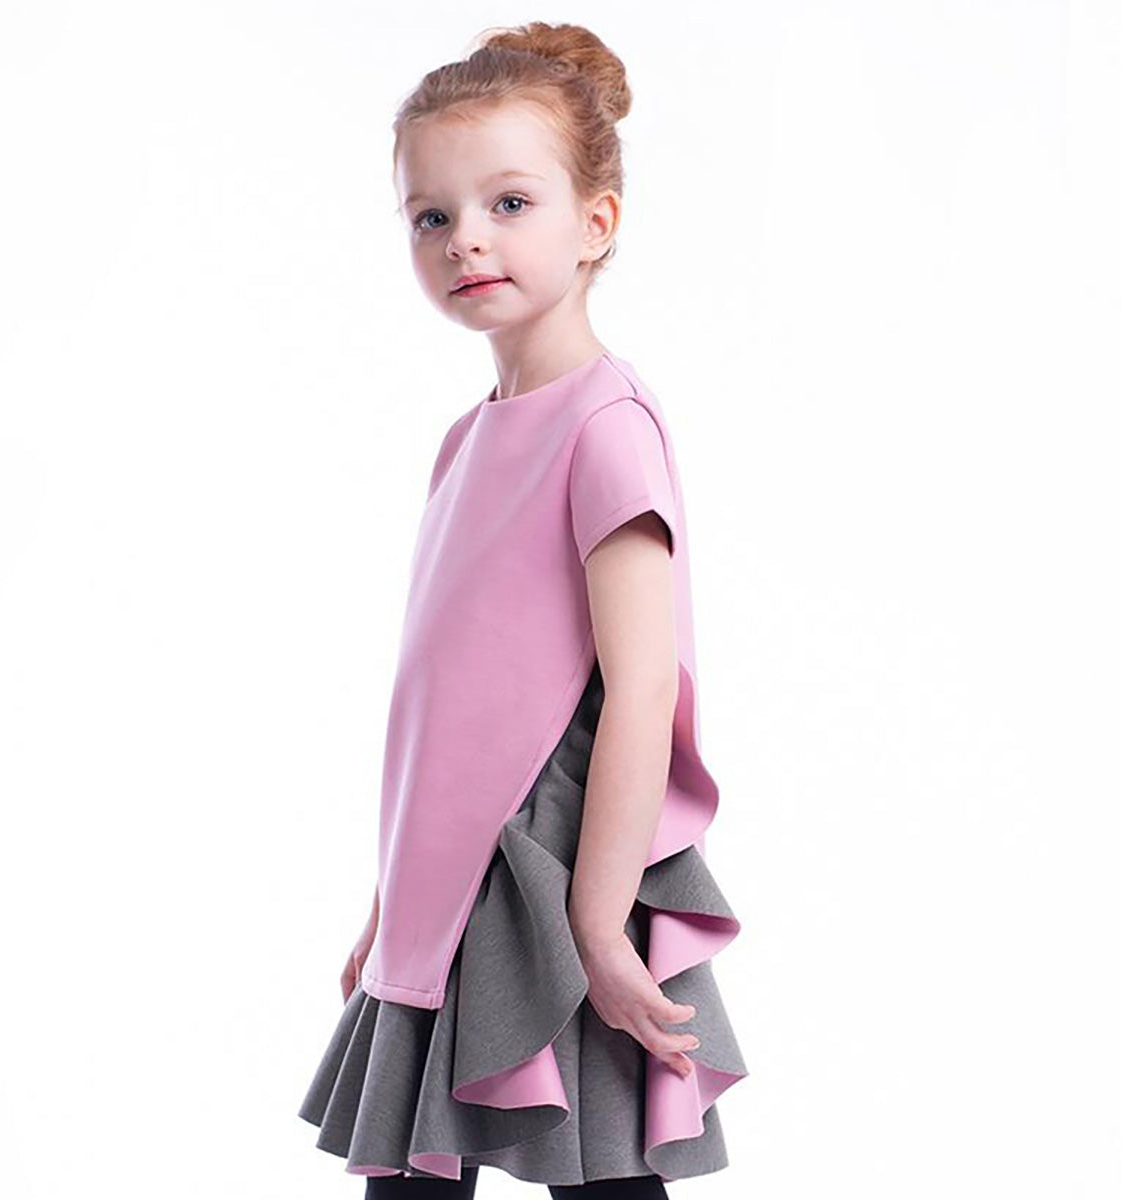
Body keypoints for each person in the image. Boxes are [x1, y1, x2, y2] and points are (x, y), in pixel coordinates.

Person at [298, 21, 749, 1198]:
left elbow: (642, 688)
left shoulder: (605, 426)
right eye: (431, 215)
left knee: (597, 1172)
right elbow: (441, 708)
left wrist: (598, 921)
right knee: (411, 1175)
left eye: (509, 203)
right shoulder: (464, 442)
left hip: (550, 870)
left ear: (595, 223)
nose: (466, 239)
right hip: (447, 880)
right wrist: (392, 906)